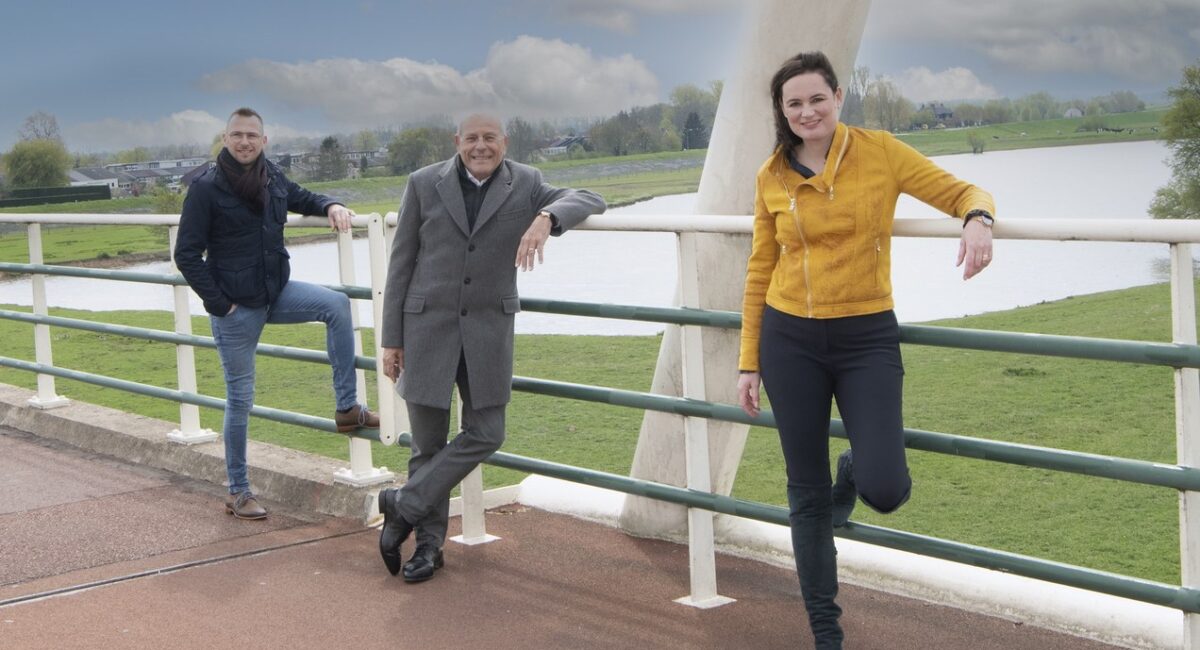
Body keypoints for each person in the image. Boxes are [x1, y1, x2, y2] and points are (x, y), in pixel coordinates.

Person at [735, 52, 995, 648]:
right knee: (804, 492)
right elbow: (759, 269)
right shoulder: (771, 174)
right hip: (788, 340)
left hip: (866, 337)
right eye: (794, 103)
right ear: (782, 110)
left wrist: (978, 217)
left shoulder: (880, 151)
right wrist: (750, 359)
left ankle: (852, 471)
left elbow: (962, 190)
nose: (807, 111)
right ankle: (827, 634)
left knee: (885, 487)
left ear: (838, 96)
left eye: (816, 99)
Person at [377, 113, 606, 583]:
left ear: (504, 142)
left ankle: (403, 504)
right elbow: (400, 264)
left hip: (487, 331)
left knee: (487, 432)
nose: (481, 146)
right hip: (426, 328)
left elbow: (589, 196)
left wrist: (546, 218)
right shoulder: (423, 183)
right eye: (472, 138)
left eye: (490, 138)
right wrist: (392, 339)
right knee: (428, 444)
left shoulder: (526, 182)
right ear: (456, 141)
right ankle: (428, 548)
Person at [175, 107, 380, 520]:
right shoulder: (206, 187)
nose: (245, 141)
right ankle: (239, 491)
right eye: (238, 135)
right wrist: (220, 304)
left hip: (276, 292)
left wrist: (334, 205)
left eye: (252, 135)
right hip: (235, 309)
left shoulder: (273, 177)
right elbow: (186, 254)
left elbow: (306, 198)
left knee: (336, 305)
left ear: (264, 141)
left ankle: (346, 408)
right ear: (225, 139)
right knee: (240, 399)